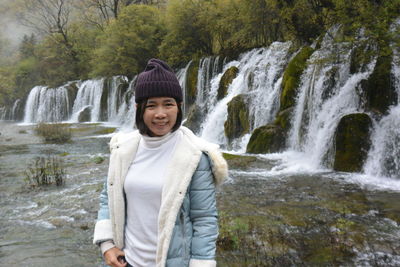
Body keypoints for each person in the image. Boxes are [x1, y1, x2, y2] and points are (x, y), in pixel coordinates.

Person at [93, 58, 228, 267]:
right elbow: (108, 198)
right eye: (151, 105)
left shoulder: (194, 156)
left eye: (168, 104)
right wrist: (107, 245)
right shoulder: (123, 149)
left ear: (179, 106)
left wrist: (201, 263)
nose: (161, 114)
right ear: (139, 108)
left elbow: (204, 219)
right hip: (125, 262)